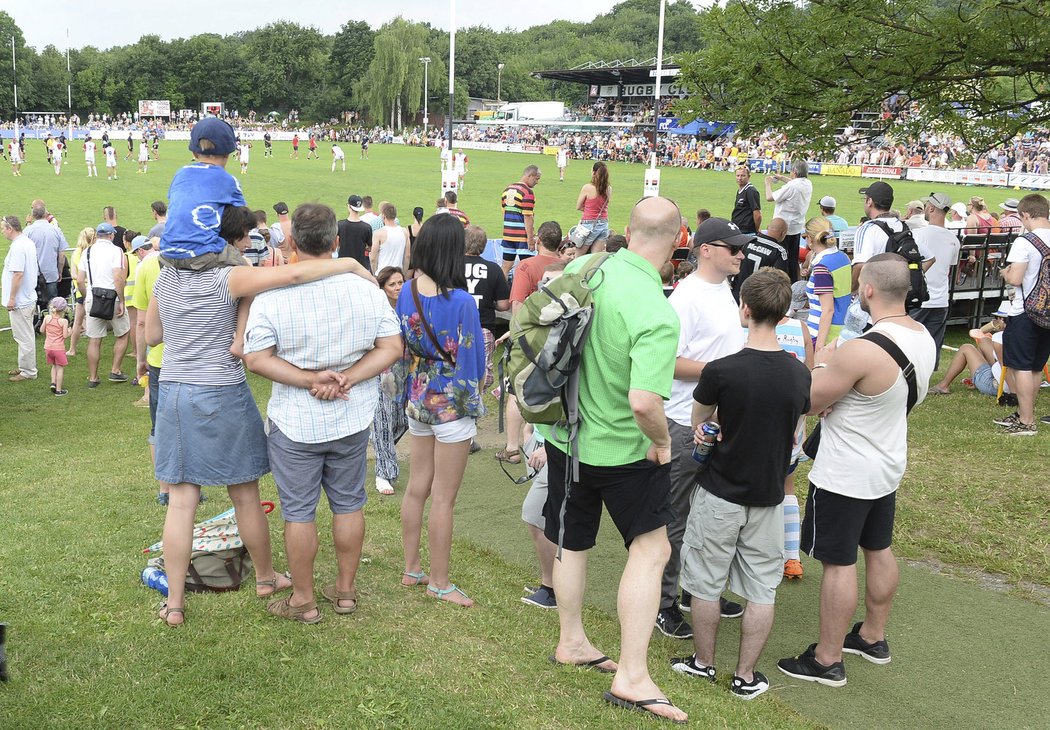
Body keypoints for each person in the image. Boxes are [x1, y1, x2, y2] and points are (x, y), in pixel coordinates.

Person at [145, 214, 375, 627]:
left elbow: (150, 337)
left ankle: (175, 604)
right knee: (245, 495)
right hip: (223, 388)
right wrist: (351, 264)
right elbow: (293, 276)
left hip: (177, 389)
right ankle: (267, 578)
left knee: (181, 502)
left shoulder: (166, 280)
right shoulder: (231, 278)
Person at [542, 196, 686, 725]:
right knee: (651, 551)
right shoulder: (656, 308)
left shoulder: (582, 265)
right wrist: (664, 443)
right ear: (677, 241)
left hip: (564, 434)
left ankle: (572, 639)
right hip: (624, 449)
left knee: (572, 538)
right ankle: (631, 675)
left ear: (627, 230)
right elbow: (645, 401)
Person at [778, 254, 935, 688]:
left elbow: (808, 399)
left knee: (838, 562)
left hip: (846, 471)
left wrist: (825, 361)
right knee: (879, 548)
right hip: (886, 462)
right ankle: (872, 636)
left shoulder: (861, 348)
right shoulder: (922, 335)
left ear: (867, 289)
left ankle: (827, 659)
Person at [244, 203, 402, 624]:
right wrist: (344, 377)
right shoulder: (365, 288)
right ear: (335, 242)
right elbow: (390, 348)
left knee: (299, 510)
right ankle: (345, 593)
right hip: (349, 416)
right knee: (348, 503)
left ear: (292, 242)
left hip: (298, 418)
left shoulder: (274, 293)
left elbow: (256, 358)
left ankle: (304, 599)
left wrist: (314, 379)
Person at [671, 268, 810, 700]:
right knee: (761, 590)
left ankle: (703, 663)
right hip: (769, 495)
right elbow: (796, 433)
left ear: (744, 310)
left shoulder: (722, 370)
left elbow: (700, 422)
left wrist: (710, 429)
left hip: (719, 492)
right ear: (784, 311)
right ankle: (745, 676)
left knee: (705, 582)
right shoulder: (798, 373)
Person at [659, 217, 748, 641]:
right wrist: (724, 372)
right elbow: (668, 362)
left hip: (714, 422)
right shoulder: (687, 298)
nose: (741, 254)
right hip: (683, 422)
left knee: (707, 515)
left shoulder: (723, 290)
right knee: (676, 516)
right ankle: (663, 603)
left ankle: (696, 592)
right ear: (706, 249)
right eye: (733, 248)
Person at [393, 214, 486, 607]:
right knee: (444, 498)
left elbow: (401, 343)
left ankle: (412, 567)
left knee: (417, 487)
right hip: (451, 406)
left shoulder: (407, 290)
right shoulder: (461, 301)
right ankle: (440, 581)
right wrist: (474, 405)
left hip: (418, 399)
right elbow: (473, 361)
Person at [158, 118, 246, 270]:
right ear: (228, 152)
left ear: (194, 152)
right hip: (202, 254)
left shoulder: (181, 173)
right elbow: (241, 219)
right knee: (247, 269)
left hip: (167, 253)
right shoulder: (229, 180)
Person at [1000, 193, 1050, 435]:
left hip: (1026, 310)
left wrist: (1005, 273)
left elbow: (1016, 278)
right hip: (1048, 311)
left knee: (1020, 366)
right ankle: (1023, 413)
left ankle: (1027, 420)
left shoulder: (1025, 241)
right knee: (1036, 367)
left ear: (1026, 215)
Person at [76, 223, 131, 387]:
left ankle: (93, 377)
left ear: (97, 235)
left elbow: (79, 280)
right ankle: (115, 370)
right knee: (123, 333)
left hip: (93, 297)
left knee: (94, 339)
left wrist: (87, 296)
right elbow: (118, 278)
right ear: (112, 236)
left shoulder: (87, 252)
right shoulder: (117, 251)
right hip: (112, 297)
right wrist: (121, 300)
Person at [912, 193, 961, 368]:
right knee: (933, 344)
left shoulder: (917, 234)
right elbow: (950, 269)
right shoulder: (954, 240)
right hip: (940, 300)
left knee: (910, 342)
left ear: (931, 208)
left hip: (919, 299)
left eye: (927, 205)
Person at [372, 267, 409, 495]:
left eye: (400, 282)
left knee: (403, 421)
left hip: (407, 372)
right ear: (383, 287)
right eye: (392, 284)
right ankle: (384, 472)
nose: (397, 287)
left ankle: (377, 441)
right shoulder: (378, 311)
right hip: (384, 371)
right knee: (384, 421)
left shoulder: (409, 307)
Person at [464, 224, 510, 384]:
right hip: (483, 325)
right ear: (484, 246)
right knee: (482, 372)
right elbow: (504, 305)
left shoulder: (450, 266)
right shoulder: (494, 269)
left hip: (457, 326)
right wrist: (491, 304)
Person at [804, 216, 852, 349]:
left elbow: (828, 310)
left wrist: (819, 347)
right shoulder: (843, 257)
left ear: (809, 238)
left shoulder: (822, 267)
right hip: (842, 329)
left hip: (822, 334)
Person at [2, 216, 39, 382]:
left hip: (20, 300)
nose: (2, 231)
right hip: (27, 297)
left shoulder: (18, 247)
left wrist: (11, 298)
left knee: (23, 337)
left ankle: (28, 371)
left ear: (10, 228)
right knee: (26, 335)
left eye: (3, 228)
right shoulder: (27, 242)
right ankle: (25, 365)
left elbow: (18, 274)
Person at [764, 160, 813, 281]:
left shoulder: (791, 187)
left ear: (794, 172)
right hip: (796, 227)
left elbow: (769, 197)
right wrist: (781, 178)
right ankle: (793, 282)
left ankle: (780, 282)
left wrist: (768, 184)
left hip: (783, 228)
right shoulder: (807, 183)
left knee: (780, 258)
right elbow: (794, 182)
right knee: (792, 259)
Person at [730, 217, 788, 301]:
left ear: (768, 227)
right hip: (759, 298)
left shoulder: (748, 240)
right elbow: (780, 279)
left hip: (738, 292)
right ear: (783, 233)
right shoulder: (779, 251)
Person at [501, 165, 542, 276]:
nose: (537, 182)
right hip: (522, 237)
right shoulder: (527, 192)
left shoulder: (507, 190)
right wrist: (530, 239)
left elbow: (504, 212)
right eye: (536, 178)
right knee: (527, 269)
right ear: (530, 175)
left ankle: (502, 293)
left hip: (508, 235)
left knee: (505, 267)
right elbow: (527, 216)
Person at [24, 202, 67, 302]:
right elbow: (62, 255)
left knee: (33, 303)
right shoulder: (56, 230)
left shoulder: (28, 231)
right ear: (45, 214)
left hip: (32, 274)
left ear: (34, 215)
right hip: (51, 274)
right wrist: (60, 271)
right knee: (53, 305)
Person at [66, 227, 95, 357]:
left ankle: (72, 349)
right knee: (94, 321)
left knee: (78, 321)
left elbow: (73, 274)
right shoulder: (95, 252)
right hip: (94, 290)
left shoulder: (77, 252)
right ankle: (93, 348)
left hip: (81, 291)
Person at [574, 161, 612, 253]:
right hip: (603, 223)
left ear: (594, 172)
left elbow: (578, 206)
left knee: (579, 256)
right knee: (595, 258)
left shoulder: (587, 188)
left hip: (588, 224)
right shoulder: (608, 189)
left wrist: (588, 210)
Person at [39, 297, 71, 395]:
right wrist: (71, 331)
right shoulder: (64, 321)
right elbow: (65, 335)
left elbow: (41, 330)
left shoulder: (47, 318)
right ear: (64, 309)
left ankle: (53, 383)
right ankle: (59, 390)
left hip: (48, 347)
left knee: (53, 365)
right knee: (60, 367)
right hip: (59, 348)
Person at [370, 204, 410, 274]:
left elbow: (373, 258)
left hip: (382, 273)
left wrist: (374, 273)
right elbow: (407, 256)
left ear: (383, 215)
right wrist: (403, 273)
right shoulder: (404, 232)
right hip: (398, 273)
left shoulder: (378, 234)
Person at [337, 195, 373, 269]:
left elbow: (336, 244)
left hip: (343, 265)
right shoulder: (367, 227)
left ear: (349, 207)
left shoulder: (340, 225)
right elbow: (370, 248)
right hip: (360, 266)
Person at [731, 165, 762, 234]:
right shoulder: (741, 189)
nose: (740, 178)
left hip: (747, 231)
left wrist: (756, 229)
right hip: (738, 229)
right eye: (738, 175)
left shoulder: (751, 191)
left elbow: (757, 213)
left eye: (743, 175)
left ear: (749, 176)